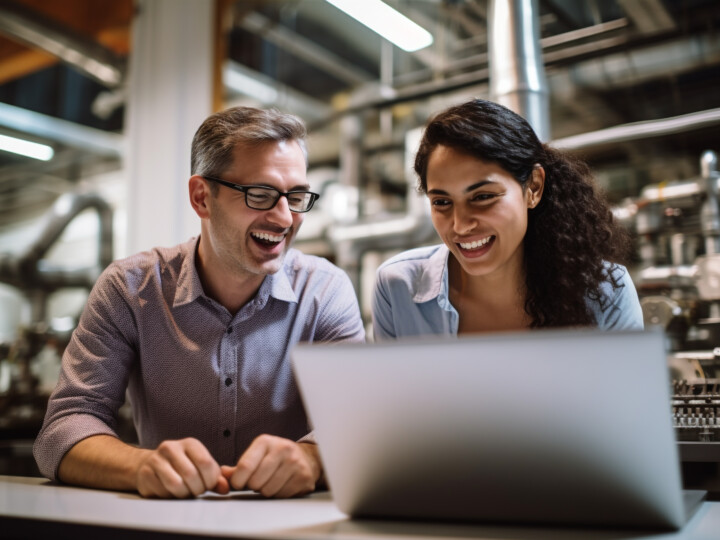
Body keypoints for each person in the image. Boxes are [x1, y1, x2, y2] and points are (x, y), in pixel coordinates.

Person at [34, 106, 365, 499]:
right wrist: (140, 466)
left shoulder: (325, 291)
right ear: (201, 197)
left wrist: (312, 458)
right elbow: (63, 429)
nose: (284, 218)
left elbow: (358, 424)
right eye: (260, 194)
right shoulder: (129, 289)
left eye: (295, 197)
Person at [372, 99, 643, 339]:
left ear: (533, 188)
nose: (460, 225)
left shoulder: (605, 291)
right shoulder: (398, 288)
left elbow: (629, 396)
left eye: (482, 197)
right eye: (442, 202)